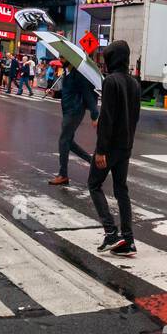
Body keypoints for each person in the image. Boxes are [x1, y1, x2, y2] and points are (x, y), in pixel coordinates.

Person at [93, 40, 141, 256]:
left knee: (94, 184)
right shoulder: (135, 83)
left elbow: (108, 117)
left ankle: (111, 232)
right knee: (121, 189)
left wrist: (101, 149)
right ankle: (128, 239)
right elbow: (134, 117)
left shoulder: (110, 81)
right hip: (126, 145)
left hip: (110, 146)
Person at [49, 62, 100, 186]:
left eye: (62, 57)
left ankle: (63, 175)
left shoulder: (78, 75)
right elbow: (68, 92)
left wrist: (94, 115)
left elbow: (87, 94)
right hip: (67, 110)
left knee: (63, 140)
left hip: (75, 111)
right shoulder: (68, 73)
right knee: (69, 142)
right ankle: (92, 161)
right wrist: (55, 93)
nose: (60, 60)